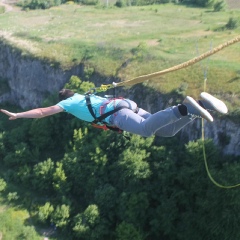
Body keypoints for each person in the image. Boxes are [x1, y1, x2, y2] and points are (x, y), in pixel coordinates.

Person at [0, 90, 228, 138]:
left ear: (65, 96)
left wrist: (18, 115)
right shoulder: (85, 94)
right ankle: (198, 107)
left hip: (116, 115)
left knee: (146, 131)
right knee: (166, 132)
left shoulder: (69, 102)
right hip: (127, 106)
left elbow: (42, 112)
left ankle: (184, 108)